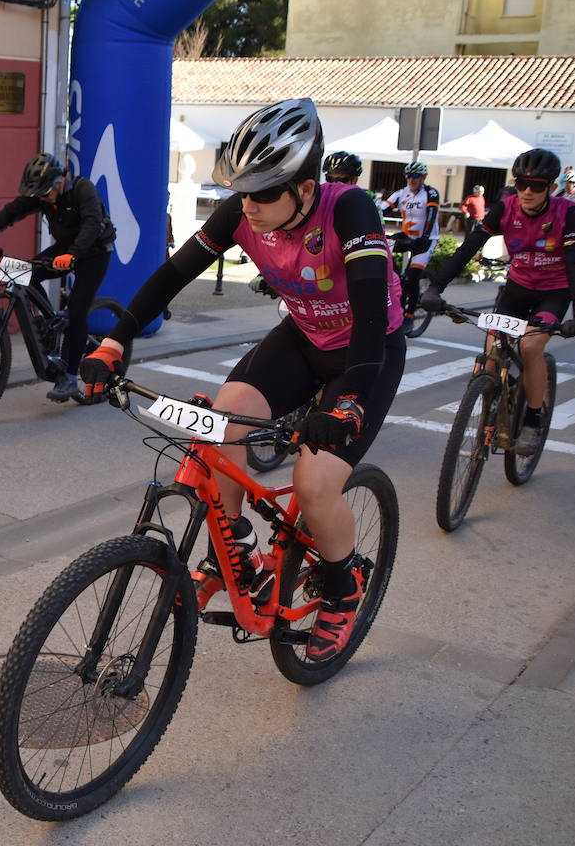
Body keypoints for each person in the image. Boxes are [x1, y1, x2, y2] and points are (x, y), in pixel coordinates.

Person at [80, 98, 406, 662]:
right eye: (242, 190)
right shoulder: (240, 213)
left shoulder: (349, 210)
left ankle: (343, 586)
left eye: (262, 193)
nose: (247, 204)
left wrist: (347, 403)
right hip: (303, 340)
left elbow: (373, 316)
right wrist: (115, 341)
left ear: (305, 188)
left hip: (366, 354)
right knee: (217, 428)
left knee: (314, 485)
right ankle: (236, 553)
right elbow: (172, 273)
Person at [421, 148, 575, 455]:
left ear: (551, 188)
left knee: (529, 347)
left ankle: (532, 420)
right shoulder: (506, 207)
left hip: (554, 292)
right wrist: (435, 288)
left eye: (537, 185)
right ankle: (490, 411)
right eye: (522, 182)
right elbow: (468, 247)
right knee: (491, 352)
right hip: (517, 288)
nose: (527, 190)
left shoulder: (568, 213)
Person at [0, 153, 117, 402]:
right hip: (65, 249)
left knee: (77, 312)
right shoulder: (42, 197)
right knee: (20, 273)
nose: (41, 197)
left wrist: (73, 254)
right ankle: (50, 324)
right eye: (37, 193)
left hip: (93, 253)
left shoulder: (83, 189)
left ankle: (70, 377)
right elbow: (10, 213)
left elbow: (92, 225)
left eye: (44, 191)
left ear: (60, 181)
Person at [383, 161, 440, 334]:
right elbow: (381, 209)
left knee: (411, 278)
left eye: (415, 176)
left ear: (423, 177)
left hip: (426, 239)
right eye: (408, 176)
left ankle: (409, 316)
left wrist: (424, 236)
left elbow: (431, 214)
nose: (411, 179)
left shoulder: (430, 193)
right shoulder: (401, 193)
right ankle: (395, 289)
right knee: (384, 254)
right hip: (407, 236)